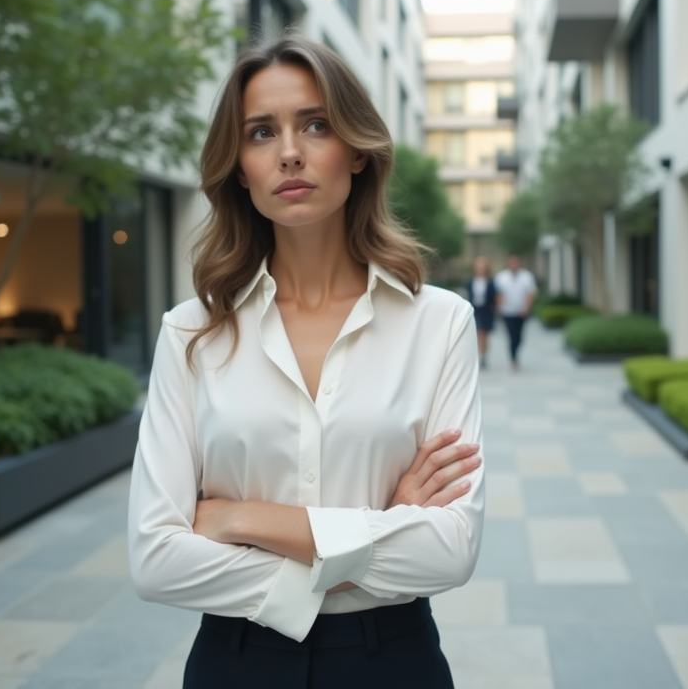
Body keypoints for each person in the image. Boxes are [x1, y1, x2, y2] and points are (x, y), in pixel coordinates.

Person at [127, 36, 484, 689]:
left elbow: (450, 551)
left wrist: (241, 520)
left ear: (355, 150)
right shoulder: (191, 333)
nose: (289, 151)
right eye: (261, 132)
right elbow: (156, 559)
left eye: (315, 124)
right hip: (235, 663)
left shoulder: (439, 324)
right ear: (239, 167)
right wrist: (381, 527)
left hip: (393, 662)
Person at [494, 255, 537, 371]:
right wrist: (500, 305)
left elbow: (531, 293)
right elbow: (498, 293)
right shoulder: (501, 277)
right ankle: (513, 359)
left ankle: (515, 355)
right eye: (511, 263)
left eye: (516, 263)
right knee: (511, 335)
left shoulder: (526, 276)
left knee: (519, 337)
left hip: (522, 311)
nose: (514, 265)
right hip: (507, 311)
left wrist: (526, 307)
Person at [466, 257, 496, 368]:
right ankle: (479, 353)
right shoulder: (470, 281)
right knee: (478, 333)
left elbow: (494, 297)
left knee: (484, 334)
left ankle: (483, 355)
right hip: (475, 309)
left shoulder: (490, 281)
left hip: (486, 310)